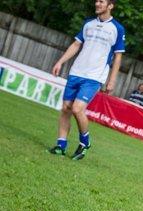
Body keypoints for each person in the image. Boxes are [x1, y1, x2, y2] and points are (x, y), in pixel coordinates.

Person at [48, 0, 125, 161]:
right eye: (97, 1)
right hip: (76, 72)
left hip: (94, 77)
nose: (97, 4)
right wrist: (60, 62)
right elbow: (76, 44)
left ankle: (85, 140)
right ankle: (61, 146)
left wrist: (112, 80)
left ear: (110, 6)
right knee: (65, 108)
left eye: (101, 1)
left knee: (77, 108)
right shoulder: (88, 23)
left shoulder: (117, 28)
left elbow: (118, 56)